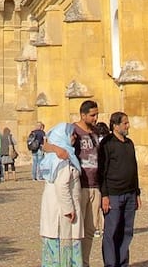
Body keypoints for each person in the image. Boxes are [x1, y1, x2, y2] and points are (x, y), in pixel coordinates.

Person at [98, 113, 140, 267]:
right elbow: (102, 171)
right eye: (125, 123)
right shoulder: (107, 144)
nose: (128, 126)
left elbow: (134, 168)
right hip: (113, 195)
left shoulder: (129, 143)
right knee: (111, 232)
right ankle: (110, 264)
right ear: (115, 125)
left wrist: (137, 193)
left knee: (126, 231)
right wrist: (105, 195)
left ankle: (122, 263)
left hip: (129, 193)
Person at [38, 122, 82, 267]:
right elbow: (62, 185)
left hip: (54, 209)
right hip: (62, 213)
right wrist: (69, 209)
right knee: (64, 253)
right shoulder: (62, 159)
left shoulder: (55, 156)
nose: (75, 137)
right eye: (71, 134)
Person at [71, 101, 102, 267]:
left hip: (95, 186)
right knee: (77, 230)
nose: (96, 118)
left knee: (90, 229)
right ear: (83, 115)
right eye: (92, 115)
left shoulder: (96, 132)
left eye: (97, 114)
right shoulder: (72, 130)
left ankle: (84, 262)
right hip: (80, 185)